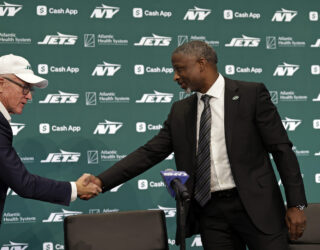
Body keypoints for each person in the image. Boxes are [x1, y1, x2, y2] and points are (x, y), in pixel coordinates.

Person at [86, 41, 307, 250]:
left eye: (180, 69)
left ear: (202, 64)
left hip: (258, 208)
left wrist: (296, 205)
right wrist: (102, 181)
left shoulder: (251, 94)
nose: (175, 76)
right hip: (210, 213)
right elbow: (150, 152)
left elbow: (282, 150)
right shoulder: (181, 111)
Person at [0, 54, 101, 250]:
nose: (29, 96)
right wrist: (75, 189)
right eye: (24, 88)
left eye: (30, 89)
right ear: (0, 84)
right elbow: (24, 184)